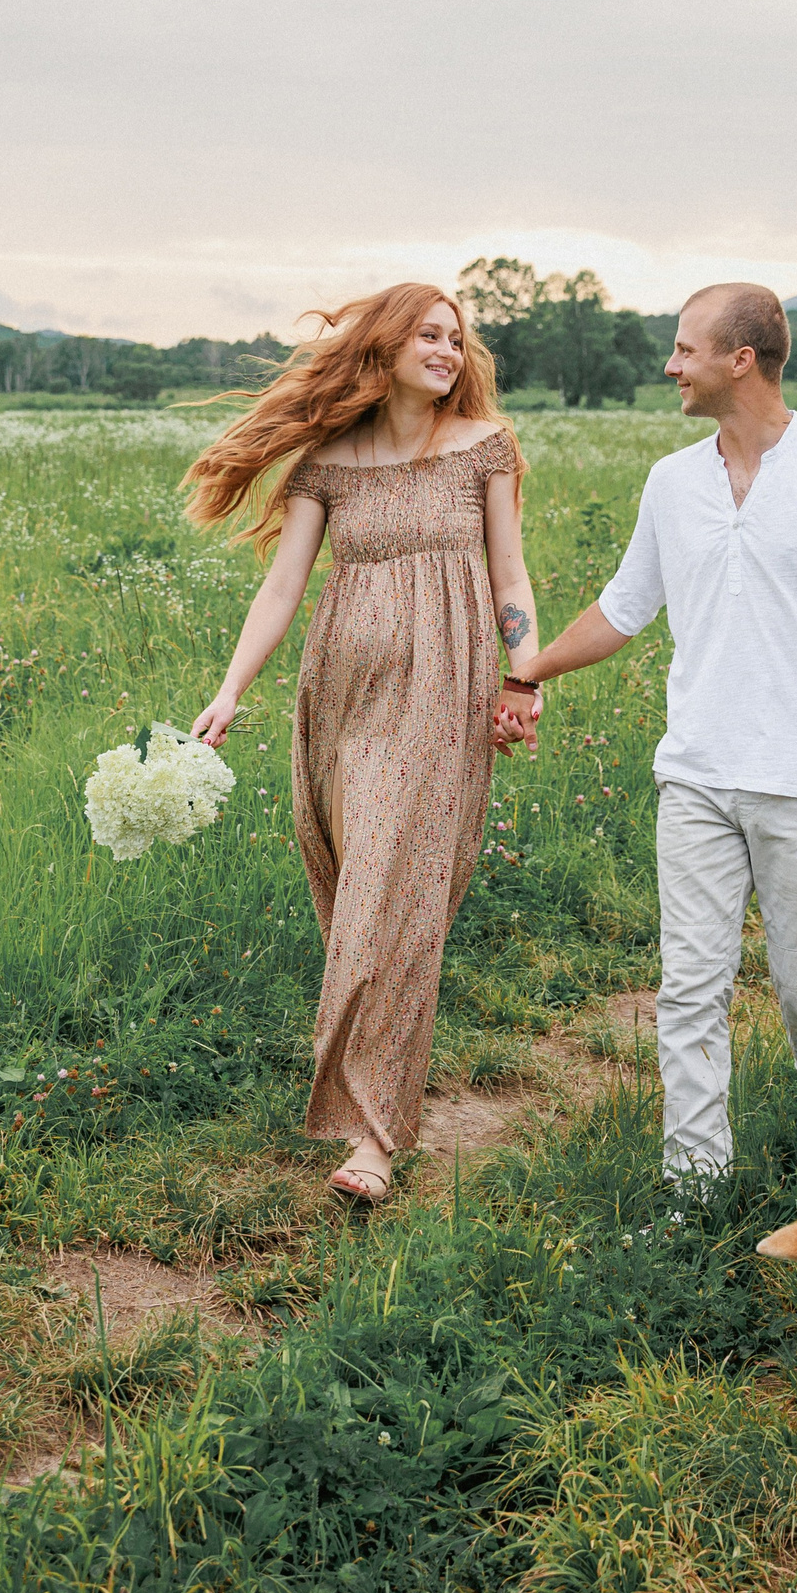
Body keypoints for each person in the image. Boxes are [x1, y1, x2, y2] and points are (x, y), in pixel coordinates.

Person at [495, 283, 797, 1175]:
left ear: (741, 361)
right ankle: (694, 1181)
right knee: (689, 986)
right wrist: (524, 671)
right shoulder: (672, 480)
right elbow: (626, 606)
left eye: (685, 349)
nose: (670, 366)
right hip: (696, 775)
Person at [185, 283, 541, 1203]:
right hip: (341, 698)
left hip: (442, 699)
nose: (448, 352)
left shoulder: (484, 449)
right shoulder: (329, 462)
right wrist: (229, 692)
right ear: (383, 348)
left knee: (397, 892)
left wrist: (522, 674)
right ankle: (363, 1086)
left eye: (456, 340)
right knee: (354, 894)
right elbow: (280, 590)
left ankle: (375, 1138)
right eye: (428, 336)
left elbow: (511, 572)